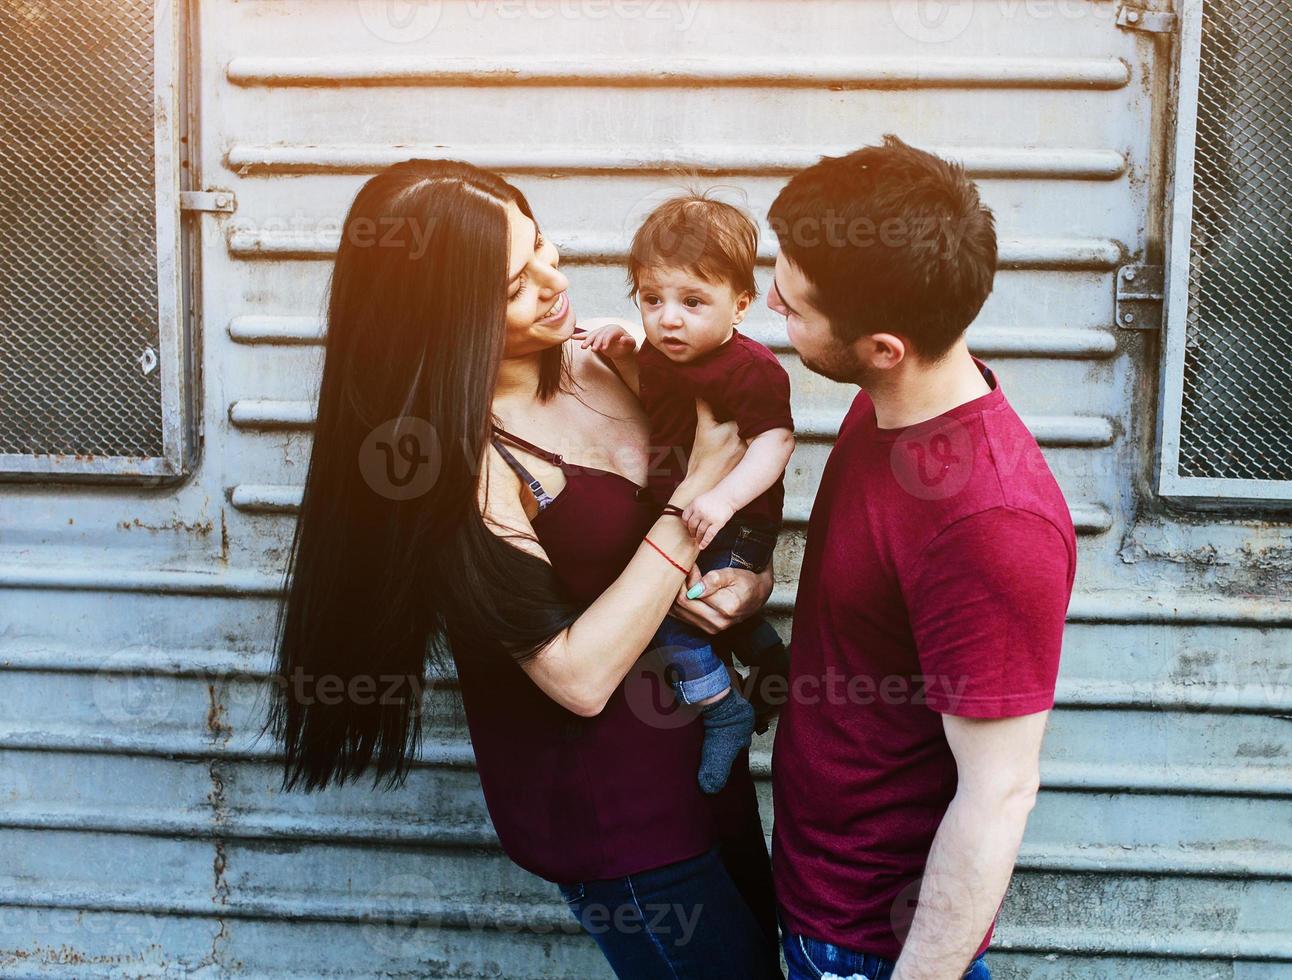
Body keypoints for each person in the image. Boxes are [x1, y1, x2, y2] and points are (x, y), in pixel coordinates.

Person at [265, 159, 783, 980]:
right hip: (619, 822)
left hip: (704, 770)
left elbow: (736, 489)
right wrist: (687, 515)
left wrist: (749, 582)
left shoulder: (605, 359)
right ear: (445, 318)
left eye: (542, 244)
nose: (555, 281)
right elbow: (578, 679)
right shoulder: (457, 470)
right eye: (515, 284)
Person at [766, 136, 1078, 979]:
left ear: (882, 347)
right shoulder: (893, 408)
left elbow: (999, 793)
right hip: (813, 895)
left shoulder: (989, 524)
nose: (769, 305)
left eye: (793, 307)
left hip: (869, 945)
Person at [581, 193, 795, 795]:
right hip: (683, 509)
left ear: (741, 306)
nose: (668, 319)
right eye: (652, 300)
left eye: (693, 302)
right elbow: (653, 384)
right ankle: (770, 658)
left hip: (733, 520)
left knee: (668, 623)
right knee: (696, 606)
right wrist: (622, 340)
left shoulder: (750, 370)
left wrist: (723, 500)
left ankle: (723, 707)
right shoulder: (665, 348)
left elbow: (775, 442)